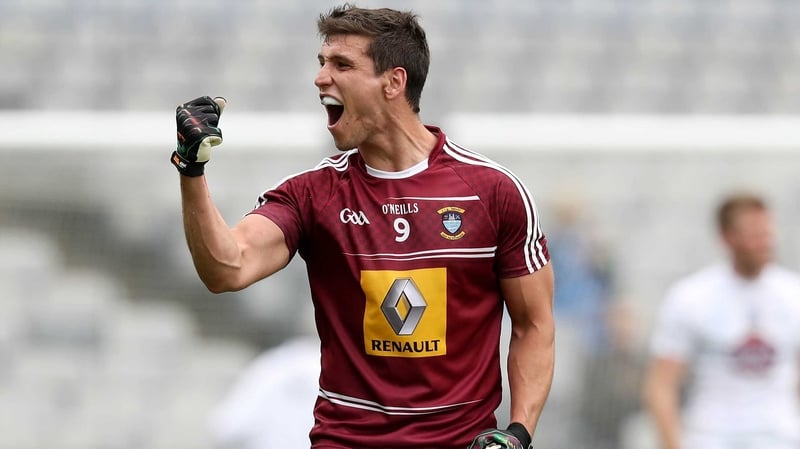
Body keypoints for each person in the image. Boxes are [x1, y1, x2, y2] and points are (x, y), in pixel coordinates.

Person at [169, 5, 554, 449]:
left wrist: (519, 432)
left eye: (342, 65)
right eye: (321, 64)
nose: (320, 78)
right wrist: (191, 171)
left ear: (393, 82)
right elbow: (227, 268)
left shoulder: (493, 193)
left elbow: (534, 324)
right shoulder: (312, 195)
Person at [642, 193, 800, 449]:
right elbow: (661, 386)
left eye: (767, 232)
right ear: (727, 237)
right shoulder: (690, 297)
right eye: (754, 234)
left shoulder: (794, 294)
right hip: (711, 438)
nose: (765, 242)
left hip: (780, 439)